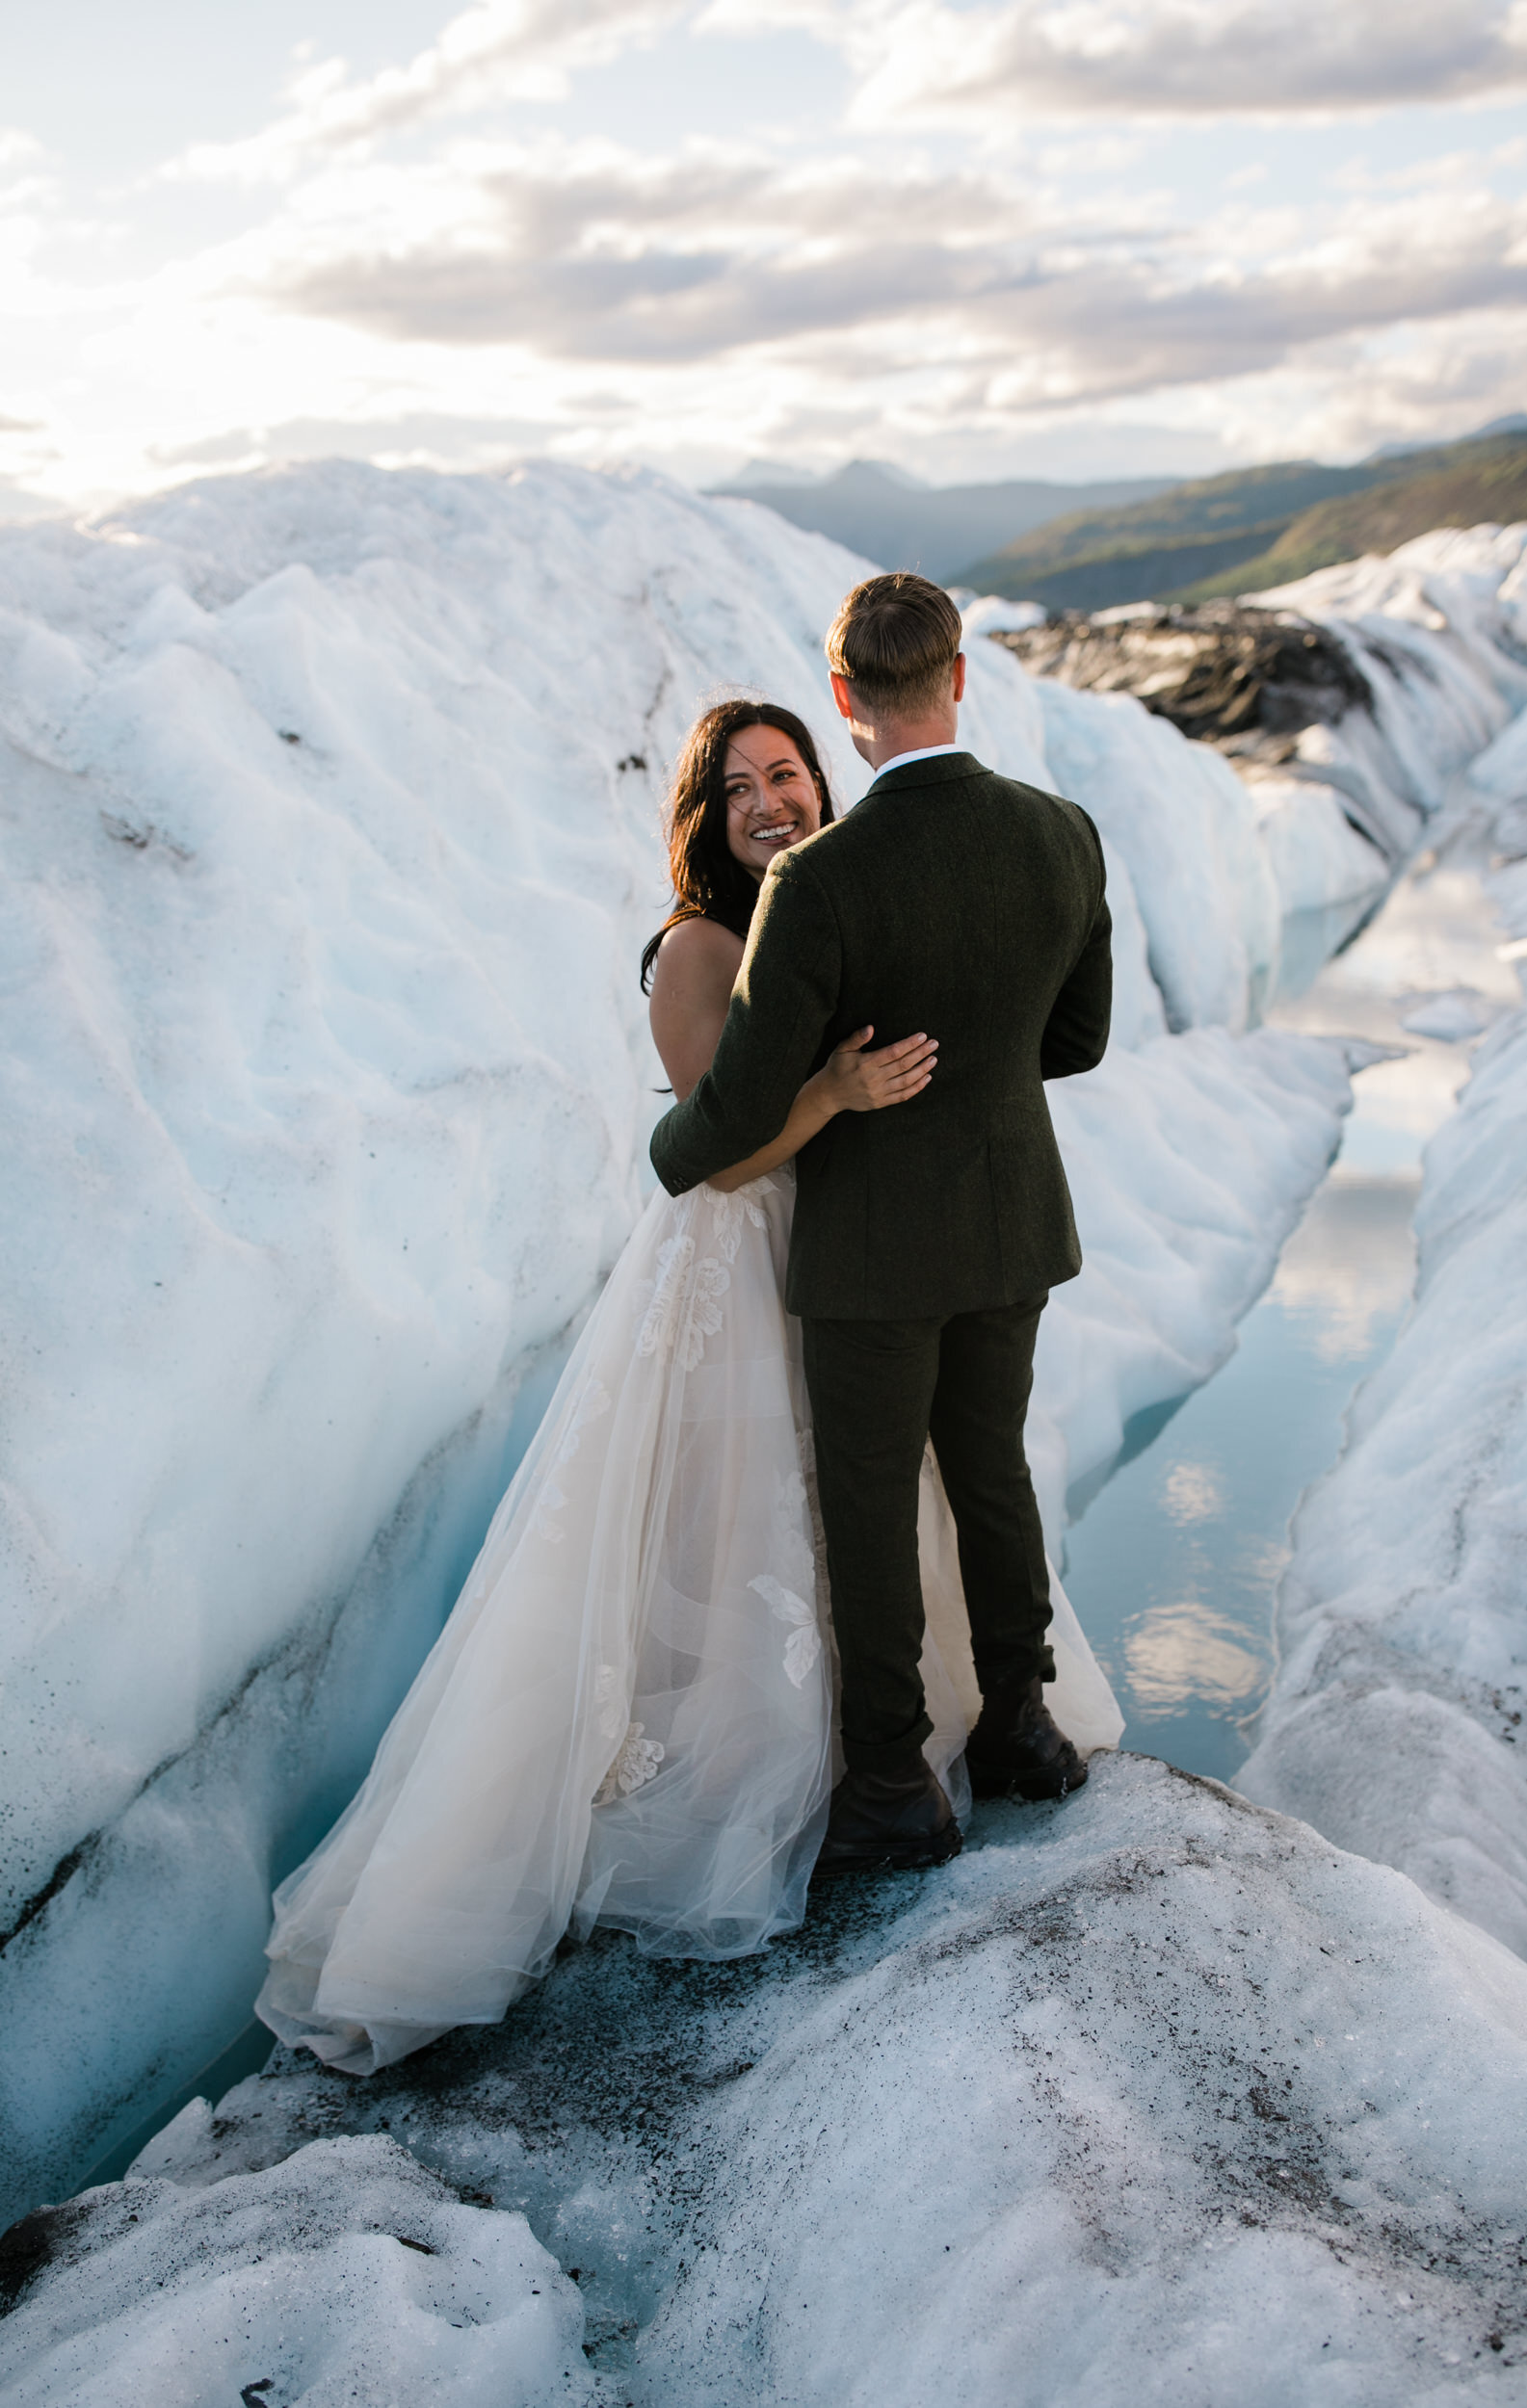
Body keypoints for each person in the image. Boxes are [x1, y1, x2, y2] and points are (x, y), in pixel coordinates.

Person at [256, 682, 1119, 2077]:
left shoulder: (836, 903)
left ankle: (888, 1752)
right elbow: (717, 1148)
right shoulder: (698, 948)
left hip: (852, 1261)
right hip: (739, 1263)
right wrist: (835, 1098)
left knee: (863, 1503)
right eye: (741, 788)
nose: (773, 800)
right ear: (706, 819)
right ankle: (746, 1787)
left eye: (788, 773)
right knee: (734, 1530)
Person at [650, 573, 1115, 1876]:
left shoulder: (822, 879)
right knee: (991, 1476)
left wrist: (667, 1147)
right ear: (959, 677)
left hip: (868, 1254)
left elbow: (734, 1112)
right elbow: (1073, 1041)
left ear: (846, 702)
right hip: (1013, 1222)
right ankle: (1022, 1731)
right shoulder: (1064, 833)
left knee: (867, 1508)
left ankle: (892, 1784)